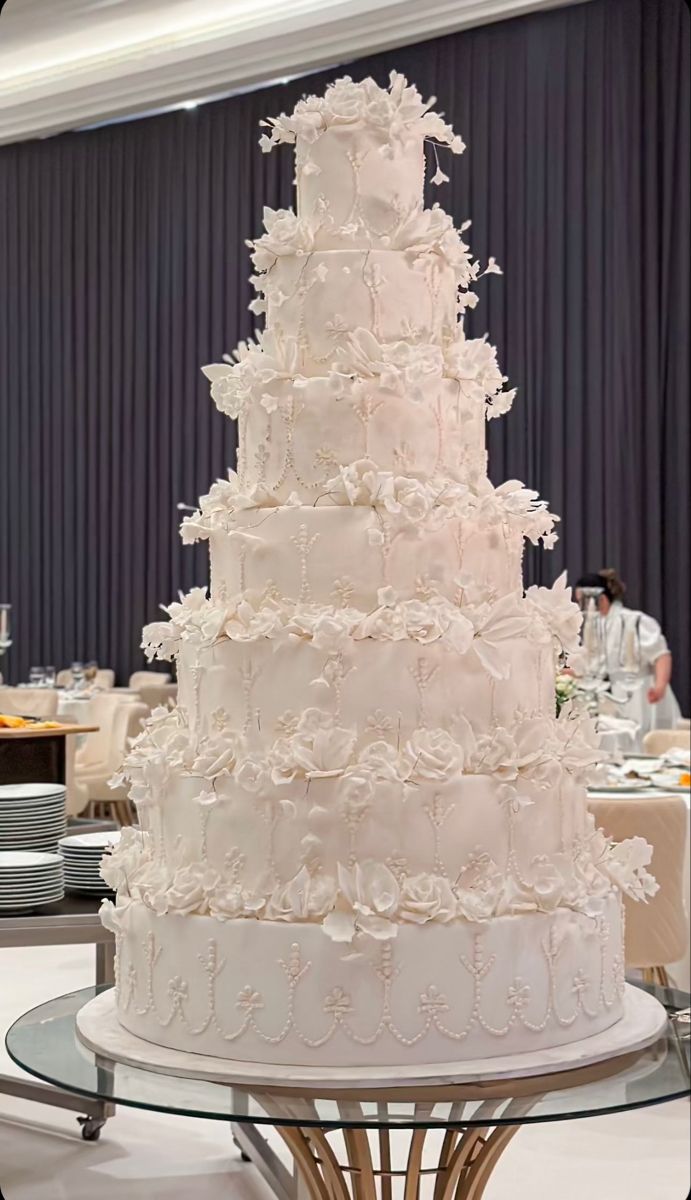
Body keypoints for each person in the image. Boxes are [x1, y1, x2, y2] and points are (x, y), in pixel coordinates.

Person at [574, 568, 681, 747]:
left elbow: (660, 654)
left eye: (582, 601)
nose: (580, 607)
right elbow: (593, 666)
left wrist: (660, 686)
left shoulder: (634, 621)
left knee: (648, 744)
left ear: (600, 598)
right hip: (617, 695)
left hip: (644, 691)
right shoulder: (594, 627)